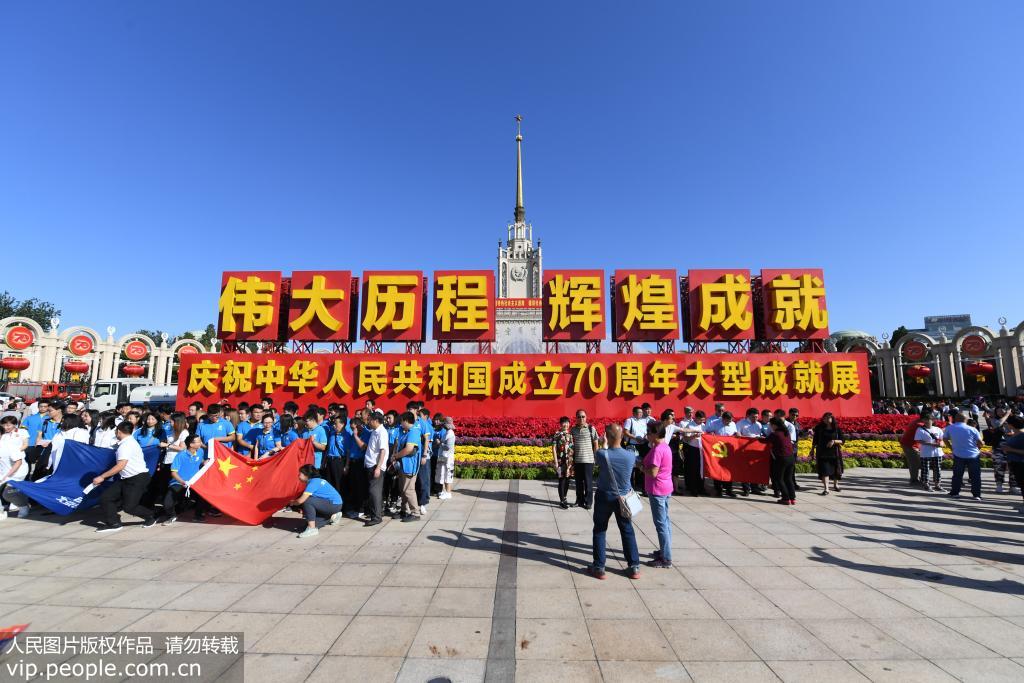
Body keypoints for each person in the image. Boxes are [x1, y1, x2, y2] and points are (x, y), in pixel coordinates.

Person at [588, 424, 640, 580]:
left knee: (600, 529)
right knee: (627, 530)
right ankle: (634, 567)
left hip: (604, 496)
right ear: (622, 437)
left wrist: (601, 442)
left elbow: (597, 454)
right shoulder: (631, 455)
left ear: (607, 437)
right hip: (623, 498)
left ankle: (599, 567)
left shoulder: (604, 455)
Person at [95, 422, 156, 533]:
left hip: (137, 478)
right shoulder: (127, 442)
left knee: (129, 507)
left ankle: (151, 516)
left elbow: (120, 465)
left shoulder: (126, 445)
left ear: (118, 431)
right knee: (106, 497)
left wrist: (102, 477)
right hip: (126, 478)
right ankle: (114, 523)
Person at [644, 421, 673, 568]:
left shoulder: (657, 450)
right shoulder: (664, 447)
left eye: (649, 432)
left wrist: (640, 467)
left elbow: (653, 472)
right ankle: (664, 550)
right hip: (665, 488)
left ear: (656, 433)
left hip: (657, 489)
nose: (647, 434)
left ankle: (666, 558)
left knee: (661, 524)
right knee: (665, 522)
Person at [162, 433, 207, 525]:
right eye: (198, 442)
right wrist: (183, 482)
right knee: (167, 502)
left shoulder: (200, 451)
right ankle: (171, 516)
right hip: (179, 482)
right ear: (191, 445)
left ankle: (198, 515)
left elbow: (200, 460)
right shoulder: (180, 456)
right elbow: (173, 472)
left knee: (203, 496)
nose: (200, 443)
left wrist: (204, 462)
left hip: (194, 482)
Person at [289, 464, 343, 538]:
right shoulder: (316, 481)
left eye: (300, 473)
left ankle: (312, 529)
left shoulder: (313, 483)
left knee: (307, 501)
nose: (298, 475)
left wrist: (292, 502)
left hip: (333, 505)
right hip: (335, 505)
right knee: (307, 525)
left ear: (306, 475)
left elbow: (301, 501)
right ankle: (333, 516)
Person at [944, 412, 984, 500]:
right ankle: (976, 495)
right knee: (975, 476)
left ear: (955, 419)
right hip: (973, 455)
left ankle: (955, 493)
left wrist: (951, 448)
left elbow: (945, 438)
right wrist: (978, 447)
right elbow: (980, 443)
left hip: (958, 454)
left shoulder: (950, 428)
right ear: (966, 420)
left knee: (957, 475)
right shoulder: (972, 429)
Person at [393, 412, 423, 522]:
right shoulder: (405, 432)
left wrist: (396, 456)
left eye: (401, 421)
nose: (400, 423)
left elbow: (409, 449)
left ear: (406, 421)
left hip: (410, 466)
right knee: (402, 489)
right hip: (403, 465)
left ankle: (415, 513)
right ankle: (404, 510)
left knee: (409, 490)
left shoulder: (414, 431)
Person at [0, 415, 30, 520]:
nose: (6, 427)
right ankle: (2, 510)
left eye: (8, 424)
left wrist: (7, 475)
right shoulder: (4, 437)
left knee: (8, 493)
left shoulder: (11, 442)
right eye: (4, 425)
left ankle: (23, 506)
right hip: (5, 469)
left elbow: (18, 462)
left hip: (17, 470)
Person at [363, 411, 389, 527]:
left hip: (375, 466)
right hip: (370, 465)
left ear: (375, 421)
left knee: (375, 492)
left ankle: (377, 517)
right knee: (372, 491)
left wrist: (378, 467)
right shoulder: (375, 431)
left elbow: (383, 451)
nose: (368, 422)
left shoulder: (382, 432)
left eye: (370, 420)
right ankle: (374, 513)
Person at [810, 413, 844, 495]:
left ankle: (836, 485)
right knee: (824, 470)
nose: (827, 419)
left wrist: (834, 441)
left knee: (836, 470)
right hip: (822, 452)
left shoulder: (836, 428)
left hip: (834, 452)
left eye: (829, 418)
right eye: (825, 418)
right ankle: (826, 489)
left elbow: (842, 440)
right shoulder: (819, 428)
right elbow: (815, 440)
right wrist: (812, 449)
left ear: (832, 419)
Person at [570, 409, 598, 510]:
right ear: (576, 418)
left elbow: (595, 443)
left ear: (586, 417)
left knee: (588, 483)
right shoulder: (572, 430)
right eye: (579, 417)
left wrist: (596, 456)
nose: (581, 418)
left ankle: (589, 502)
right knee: (578, 482)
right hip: (577, 460)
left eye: (583, 416)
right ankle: (579, 501)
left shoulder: (591, 428)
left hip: (588, 460)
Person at [997, 416, 1024, 512]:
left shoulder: (1022, 435)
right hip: (1015, 463)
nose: (1006, 424)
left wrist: (1010, 449)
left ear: (1011, 425)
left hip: (1021, 464)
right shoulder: (1015, 434)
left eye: (1008, 423)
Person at [767, 417, 796, 505]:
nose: (770, 426)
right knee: (788, 478)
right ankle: (792, 498)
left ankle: (786, 498)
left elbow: (764, 441)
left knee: (779, 479)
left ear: (775, 425)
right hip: (791, 458)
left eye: (771, 425)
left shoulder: (775, 434)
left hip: (781, 458)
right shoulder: (786, 432)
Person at [709, 411, 738, 497]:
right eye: (727, 421)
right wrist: (711, 433)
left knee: (729, 470)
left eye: (730, 420)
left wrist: (737, 434)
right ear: (723, 419)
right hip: (718, 451)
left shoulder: (733, 424)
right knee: (717, 470)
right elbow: (709, 432)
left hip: (729, 451)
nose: (728, 422)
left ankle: (729, 489)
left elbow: (735, 433)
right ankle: (718, 489)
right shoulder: (715, 423)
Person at [914, 414, 945, 492]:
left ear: (933, 420)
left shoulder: (937, 429)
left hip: (937, 453)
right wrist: (931, 444)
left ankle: (937, 484)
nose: (927, 422)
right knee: (925, 469)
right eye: (925, 420)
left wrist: (941, 443)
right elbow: (918, 440)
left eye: (928, 420)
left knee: (937, 469)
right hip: (926, 452)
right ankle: (926, 484)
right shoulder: (920, 429)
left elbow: (941, 439)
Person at [679, 410, 706, 496]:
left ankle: (701, 488)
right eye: (700, 420)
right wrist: (694, 436)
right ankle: (693, 489)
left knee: (701, 469)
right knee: (693, 470)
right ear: (696, 418)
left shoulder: (703, 426)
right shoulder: (690, 426)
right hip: (692, 449)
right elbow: (685, 439)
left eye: (703, 420)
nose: (702, 421)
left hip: (701, 450)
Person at [551, 416, 575, 509]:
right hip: (561, 461)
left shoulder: (570, 434)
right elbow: (553, 448)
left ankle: (564, 498)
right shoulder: (557, 434)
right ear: (560, 424)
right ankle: (562, 500)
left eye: (567, 423)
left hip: (569, 461)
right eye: (564, 423)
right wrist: (556, 461)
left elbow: (572, 448)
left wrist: (572, 461)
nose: (566, 424)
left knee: (568, 480)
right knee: (562, 480)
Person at [434, 415, 456, 500]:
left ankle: (448, 492)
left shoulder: (450, 434)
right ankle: (443, 491)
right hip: (443, 456)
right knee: (441, 472)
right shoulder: (447, 433)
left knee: (447, 474)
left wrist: (440, 443)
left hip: (447, 457)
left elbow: (448, 447)